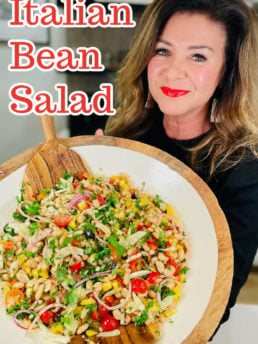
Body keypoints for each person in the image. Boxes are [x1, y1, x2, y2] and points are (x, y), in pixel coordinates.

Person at [100, 0, 258, 338]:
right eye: (162, 51)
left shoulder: (245, 169)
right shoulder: (125, 139)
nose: (174, 71)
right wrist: (95, 185)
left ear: (227, 72)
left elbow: (215, 305)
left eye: (198, 56)